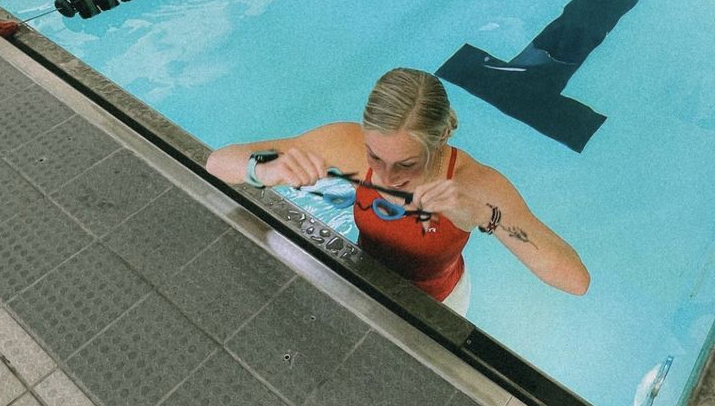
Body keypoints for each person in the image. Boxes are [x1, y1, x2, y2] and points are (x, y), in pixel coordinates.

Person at [206, 67, 590, 313]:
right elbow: (216, 163)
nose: (386, 178)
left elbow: (575, 280)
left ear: (440, 138)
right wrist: (267, 170)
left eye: (407, 164)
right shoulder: (347, 144)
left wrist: (487, 218)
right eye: (376, 156)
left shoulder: (472, 184)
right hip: (365, 277)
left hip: (439, 306)